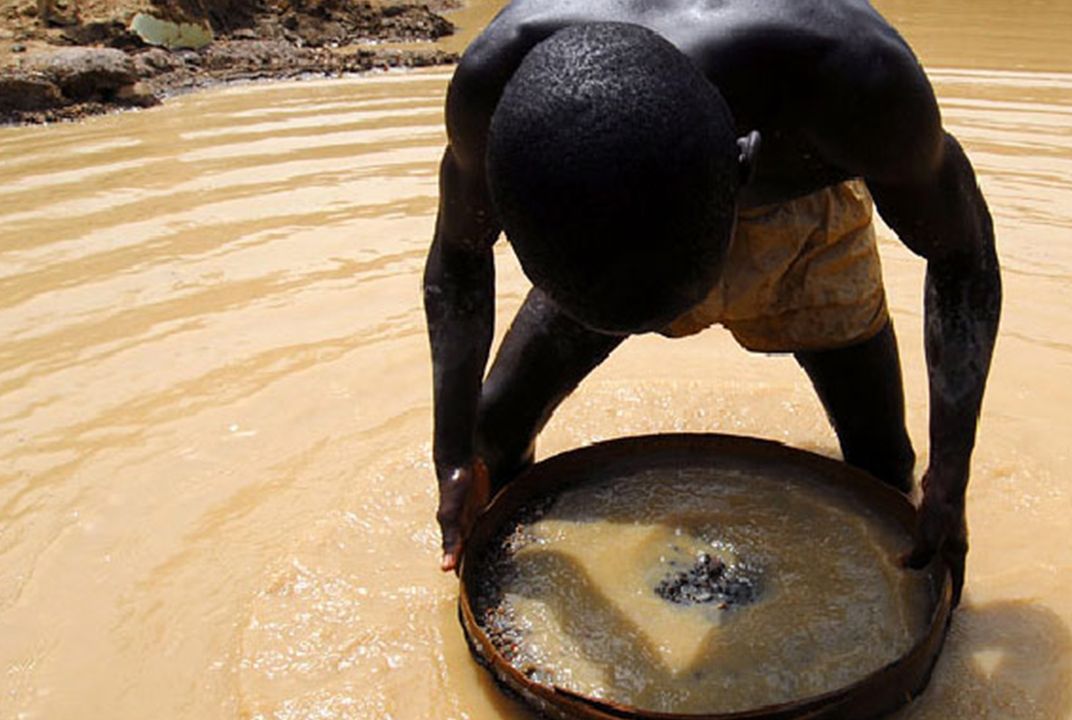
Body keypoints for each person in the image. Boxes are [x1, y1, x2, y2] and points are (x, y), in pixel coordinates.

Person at [423, 0, 1001, 606]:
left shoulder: (857, 79)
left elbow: (964, 254)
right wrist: (454, 453)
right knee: (490, 432)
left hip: (808, 230)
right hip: (603, 219)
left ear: (744, 159)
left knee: (883, 467)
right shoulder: (498, 76)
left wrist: (952, 470)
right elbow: (459, 255)